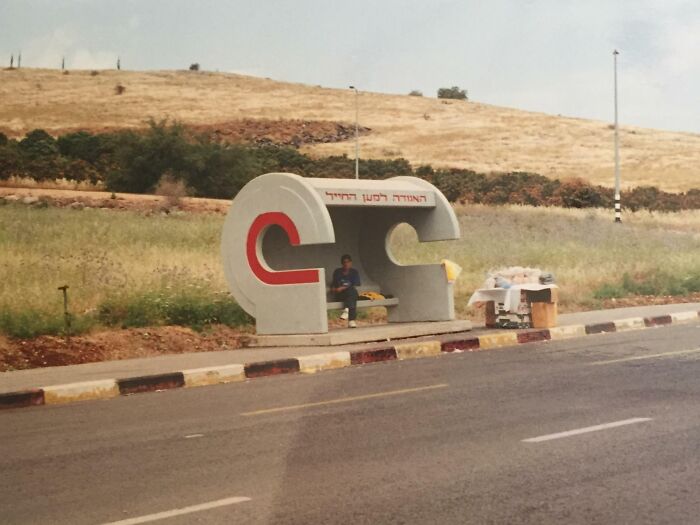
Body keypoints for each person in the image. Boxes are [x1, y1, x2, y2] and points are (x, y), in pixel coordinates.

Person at [331, 254, 361, 328]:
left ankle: (347, 310)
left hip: (350, 295)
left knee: (351, 291)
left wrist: (343, 287)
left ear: (351, 263)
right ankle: (351, 320)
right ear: (342, 263)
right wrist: (337, 289)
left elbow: (356, 284)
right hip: (341, 295)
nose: (346, 264)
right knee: (352, 293)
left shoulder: (354, 272)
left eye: (348, 262)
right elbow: (333, 287)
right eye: (344, 262)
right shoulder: (337, 272)